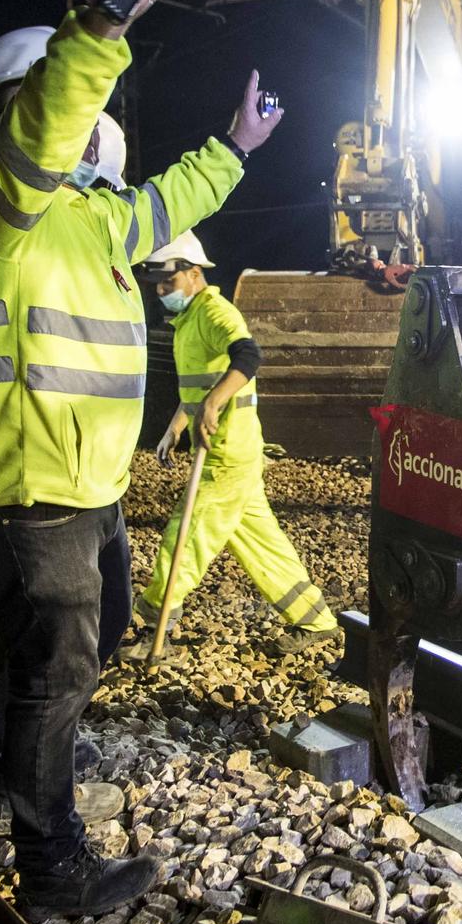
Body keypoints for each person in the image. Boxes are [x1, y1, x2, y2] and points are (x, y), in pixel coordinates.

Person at [0, 0, 280, 921]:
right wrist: (97, 28)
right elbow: (46, 127)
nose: (81, 123)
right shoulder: (0, 198)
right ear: (22, 107)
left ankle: (0, 783)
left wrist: (234, 145)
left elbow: (171, 202)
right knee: (56, 665)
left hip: (84, 484)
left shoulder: (97, 218)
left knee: (50, 649)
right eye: (57, 105)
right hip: (24, 484)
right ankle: (52, 865)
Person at [126, 231, 339, 659]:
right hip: (233, 451)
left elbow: (248, 356)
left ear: (192, 273)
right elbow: (200, 386)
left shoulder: (214, 311)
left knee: (184, 540)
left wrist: (212, 407)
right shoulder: (189, 320)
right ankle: (316, 620)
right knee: (260, 541)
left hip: (227, 454)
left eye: (168, 282)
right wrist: (176, 424)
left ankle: (155, 628)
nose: (162, 292)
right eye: (158, 285)